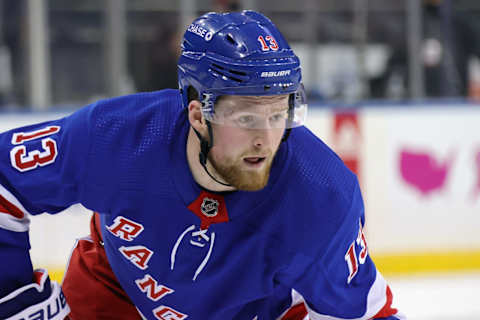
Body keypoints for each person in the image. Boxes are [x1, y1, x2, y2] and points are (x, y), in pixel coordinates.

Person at [0, 10, 404, 320]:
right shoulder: (116, 136)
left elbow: (367, 312)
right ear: (197, 115)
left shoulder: (322, 197)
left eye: (278, 113)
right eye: (246, 118)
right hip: (115, 293)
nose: (267, 137)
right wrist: (9, 294)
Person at [370, 0, 480, 99]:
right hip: (419, 101)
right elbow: (396, 62)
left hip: (457, 99)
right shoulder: (411, 22)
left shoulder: (460, 21)